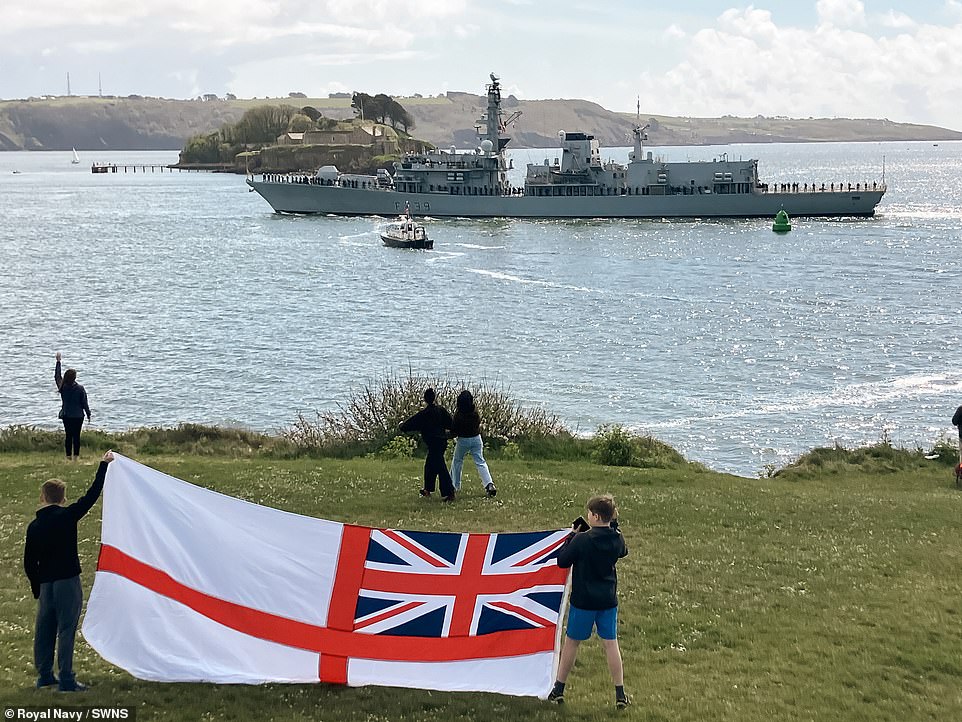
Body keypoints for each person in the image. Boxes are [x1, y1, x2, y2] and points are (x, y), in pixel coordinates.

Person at [24, 450, 115, 692]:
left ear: (42, 497)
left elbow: (28, 562)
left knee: (44, 630)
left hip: (46, 585)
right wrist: (103, 466)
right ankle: (66, 678)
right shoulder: (67, 516)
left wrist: (37, 587)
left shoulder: (34, 526)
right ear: (63, 499)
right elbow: (91, 495)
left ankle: (44, 675)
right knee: (66, 629)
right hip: (67, 581)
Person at [548, 494, 629, 709]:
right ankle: (620, 693)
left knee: (572, 643)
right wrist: (615, 527)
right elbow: (623, 550)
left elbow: (562, 560)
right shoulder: (616, 538)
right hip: (608, 600)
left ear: (593, 516)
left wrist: (571, 537)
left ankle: (559, 689)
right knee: (611, 644)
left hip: (583, 601)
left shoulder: (583, 540)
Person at [400, 388, 456, 501]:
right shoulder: (441, 410)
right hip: (441, 442)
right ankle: (427, 489)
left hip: (433, 443)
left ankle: (449, 492)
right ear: (434, 397)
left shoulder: (424, 414)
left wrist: (402, 426)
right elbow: (451, 424)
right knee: (430, 465)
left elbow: (411, 423)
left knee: (441, 467)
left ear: (425, 399)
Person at [449, 389, 497, 497]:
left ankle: (455, 485)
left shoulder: (458, 415)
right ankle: (489, 484)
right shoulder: (475, 413)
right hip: (476, 438)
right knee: (480, 462)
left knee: (457, 461)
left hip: (463, 440)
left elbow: (455, 430)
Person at [54, 353, 91, 461]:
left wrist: (58, 362)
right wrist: (88, 413)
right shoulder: (80, 388)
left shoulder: (62, 387)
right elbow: (84, 402)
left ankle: (68, 456)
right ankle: (76, 456)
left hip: (67, 415)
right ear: (74, 378)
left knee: (68, 435)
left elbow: (57, 376)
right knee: (76, 436)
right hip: (78, 415)